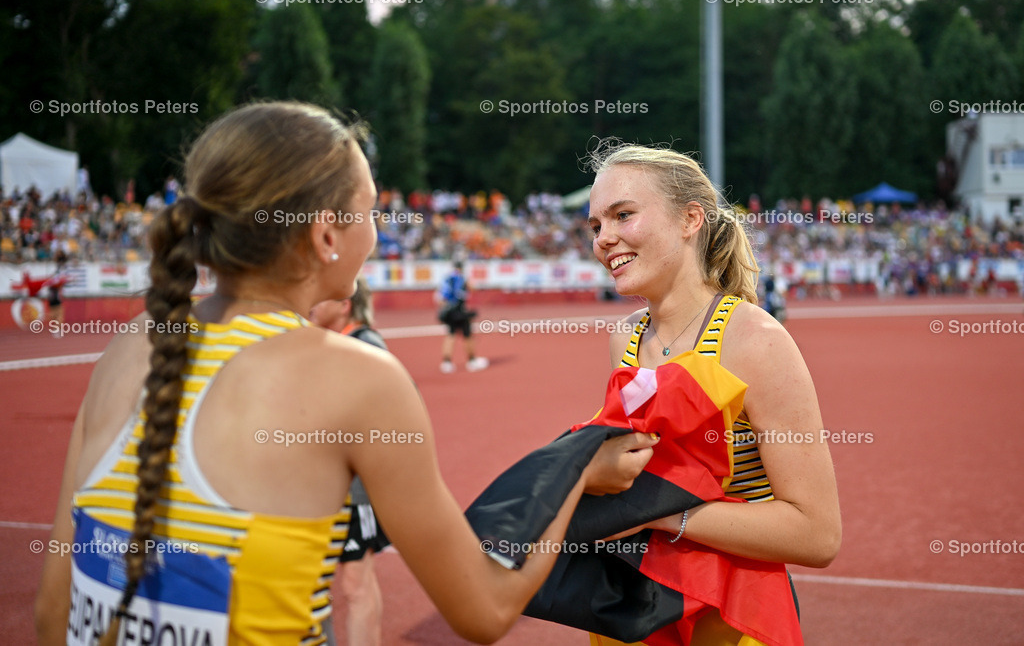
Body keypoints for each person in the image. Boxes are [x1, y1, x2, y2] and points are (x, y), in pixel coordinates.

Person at [34, 102, 657, 646]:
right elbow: (487, 609)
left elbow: (52, 613)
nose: (380, 230)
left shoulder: (129, 348)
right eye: (371, 211)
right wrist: (578, 476)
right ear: (326, 233)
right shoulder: (357, 379)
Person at [584, 142, 841, 645]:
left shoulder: (755, 341)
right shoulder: (626, 340)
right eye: (595, 226)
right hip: (634, 607)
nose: (604, 239)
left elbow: (817, 533)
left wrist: (660, 513)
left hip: (733, 615)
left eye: (623, 215)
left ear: (690, 219)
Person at [309, 277, 390, 646]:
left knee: (356, 584)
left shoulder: (365, 346)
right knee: (314, 584)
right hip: (321, 486)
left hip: (353, 490)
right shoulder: (326, 343)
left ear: (344, 304)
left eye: (319, 296)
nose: (309, 302)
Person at [437, 260, 487, 373]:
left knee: (450, 335)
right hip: (459, 310)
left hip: (449, 311)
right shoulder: (462, 278)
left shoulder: (446, 279)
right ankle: (472, 361)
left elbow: (440, 298)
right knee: (467, 335)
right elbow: (473, 288)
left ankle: (446, 363)